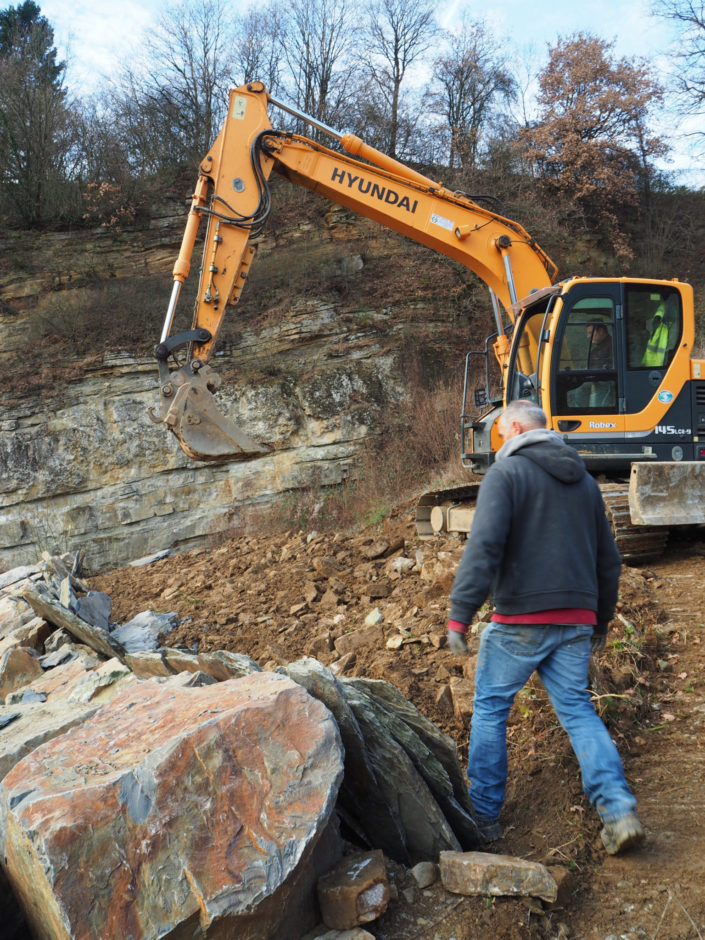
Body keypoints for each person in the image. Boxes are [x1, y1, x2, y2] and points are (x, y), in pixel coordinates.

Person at [446, 399, 644, 855]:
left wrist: (461, 613)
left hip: (520, 618)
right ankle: (617, 809)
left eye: (500, 434)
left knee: (492, 707)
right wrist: (601, 621)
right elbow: (607, 561)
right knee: (577, 710)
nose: (499, 444)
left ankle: (484, 818)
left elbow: (485, 545)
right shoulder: (585, 483)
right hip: (576, 617)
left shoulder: (506, 474)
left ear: (514, 426)